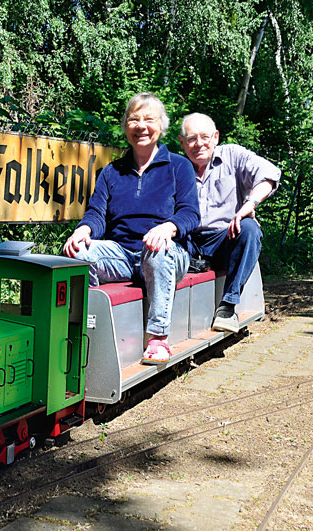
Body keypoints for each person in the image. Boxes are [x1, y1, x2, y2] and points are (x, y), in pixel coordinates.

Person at [63, 93, 200, 364]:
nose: (141, 126)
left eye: (149, 119)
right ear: (126, 126)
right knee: (77, 254)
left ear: (161, 126)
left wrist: (168, 228)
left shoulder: (179, 166)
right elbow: (96, 214)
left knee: (158, 251)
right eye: (134, 119)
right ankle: (86, 328)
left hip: (168, 254)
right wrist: (84, 231)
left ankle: (159, 338)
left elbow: (190, 214)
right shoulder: (112, 172)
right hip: (123, 255)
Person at [178, 113, 281, 332]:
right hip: (188, 241)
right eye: (191, 138)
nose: (198, 144)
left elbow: (270, 174)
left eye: (204, 137)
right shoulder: (175, 167)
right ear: (182, 142)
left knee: (250, 229)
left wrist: (249, 204)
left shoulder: (233, 155)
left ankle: (228, 306)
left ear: (215, 137)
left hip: (224, 238)